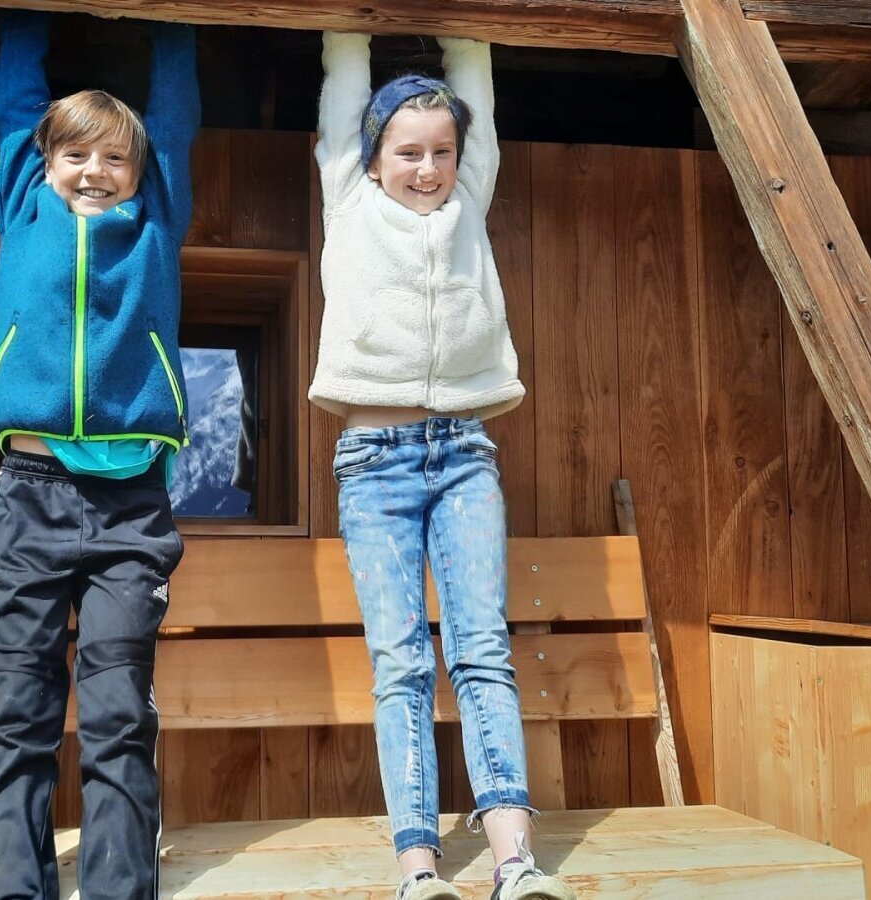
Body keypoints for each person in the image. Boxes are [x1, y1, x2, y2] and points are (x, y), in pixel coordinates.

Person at [309, 30, 576, 900]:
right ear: (373, 158)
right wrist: (347, 32)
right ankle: (418, 866)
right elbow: (342, 88)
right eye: (408, 152)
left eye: (442, 152)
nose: (427, 169)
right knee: (401, 663)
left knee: (481, 652)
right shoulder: (348, 202)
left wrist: (472, 31)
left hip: (463, 452)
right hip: (373, 461)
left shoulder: (469, 204)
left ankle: (514, 861)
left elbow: (480, 105)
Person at [0, 9, 197, 900]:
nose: (95, 171)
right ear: (45, 163)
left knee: (114, 713)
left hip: (131, 508)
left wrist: (175, 29)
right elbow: (17, 97)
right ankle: (8, 888)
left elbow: (172, 112)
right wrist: (22, 19)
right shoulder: (24, 202)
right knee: (18, 714)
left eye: (114, 158)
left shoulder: (155, 222)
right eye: (77, 155)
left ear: (141, 173)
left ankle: (115, 888)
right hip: (26, 497)